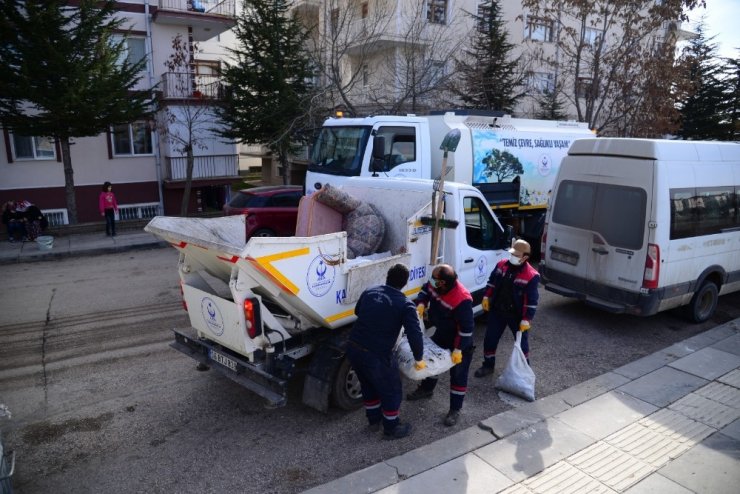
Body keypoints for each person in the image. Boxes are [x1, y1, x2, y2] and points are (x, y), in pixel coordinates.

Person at [346, 263, 426, 440]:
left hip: (354, 347)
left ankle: (374, 422)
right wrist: (419, 358)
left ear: (387, 277)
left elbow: (358, 311)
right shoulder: (405, 304)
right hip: (376, 354)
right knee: (391, 389)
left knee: (368, 385)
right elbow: (414, 334)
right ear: (405, 283)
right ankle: (391, 428)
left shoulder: (370, 291)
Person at [407, 264, 474, 427]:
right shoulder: (436, 284)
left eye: (434, 279)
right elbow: (425, 289)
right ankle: (426, 389)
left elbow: (466, 329)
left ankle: (455, 409)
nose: (431, 281)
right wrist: (422, 302)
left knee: (458, 375)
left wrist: (458, 349)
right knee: (431, 361)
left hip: (458, 341)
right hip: (442, 333)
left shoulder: (462, 299)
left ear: (443, 283)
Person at [474, 239, 540, 378]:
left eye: (516, 255)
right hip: (498, 310)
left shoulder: (531, 276)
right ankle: (488, 365)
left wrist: (527, 319)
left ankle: (524, 370)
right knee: (490, 339)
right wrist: (486, 296)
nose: (512, 257)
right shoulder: (501, 265)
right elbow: (492, 282)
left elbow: (531, 301)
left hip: (516, 315)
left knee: (522, 344)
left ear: (525, 257)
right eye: (512, 254)